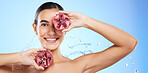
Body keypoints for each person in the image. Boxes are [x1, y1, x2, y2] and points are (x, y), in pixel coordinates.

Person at [0, 2, 138, 73]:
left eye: (56, 24)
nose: (51, 32)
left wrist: (85, 21)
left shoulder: (77, 66)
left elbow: (129, 43)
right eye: (44, 24)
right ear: (35, 28)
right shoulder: (19, 69)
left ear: (66, 28)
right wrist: (19, 57)